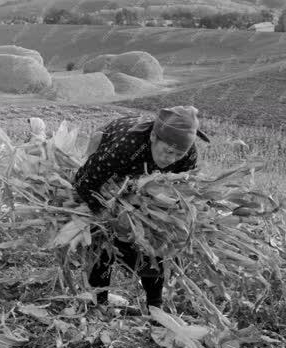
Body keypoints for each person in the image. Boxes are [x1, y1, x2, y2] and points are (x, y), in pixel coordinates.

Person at [73, 106, 210, 311]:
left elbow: (182, 190)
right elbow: (84, 182)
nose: (171, 159)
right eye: (168, 151)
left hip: (147, 183)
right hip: (113, 161)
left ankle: (155, 306)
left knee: (155, 238)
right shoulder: (125, 147)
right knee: (105, 236)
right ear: (154, 136)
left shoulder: (188, 156)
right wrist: (105, 214)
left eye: (177, 154)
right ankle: (99, 299)